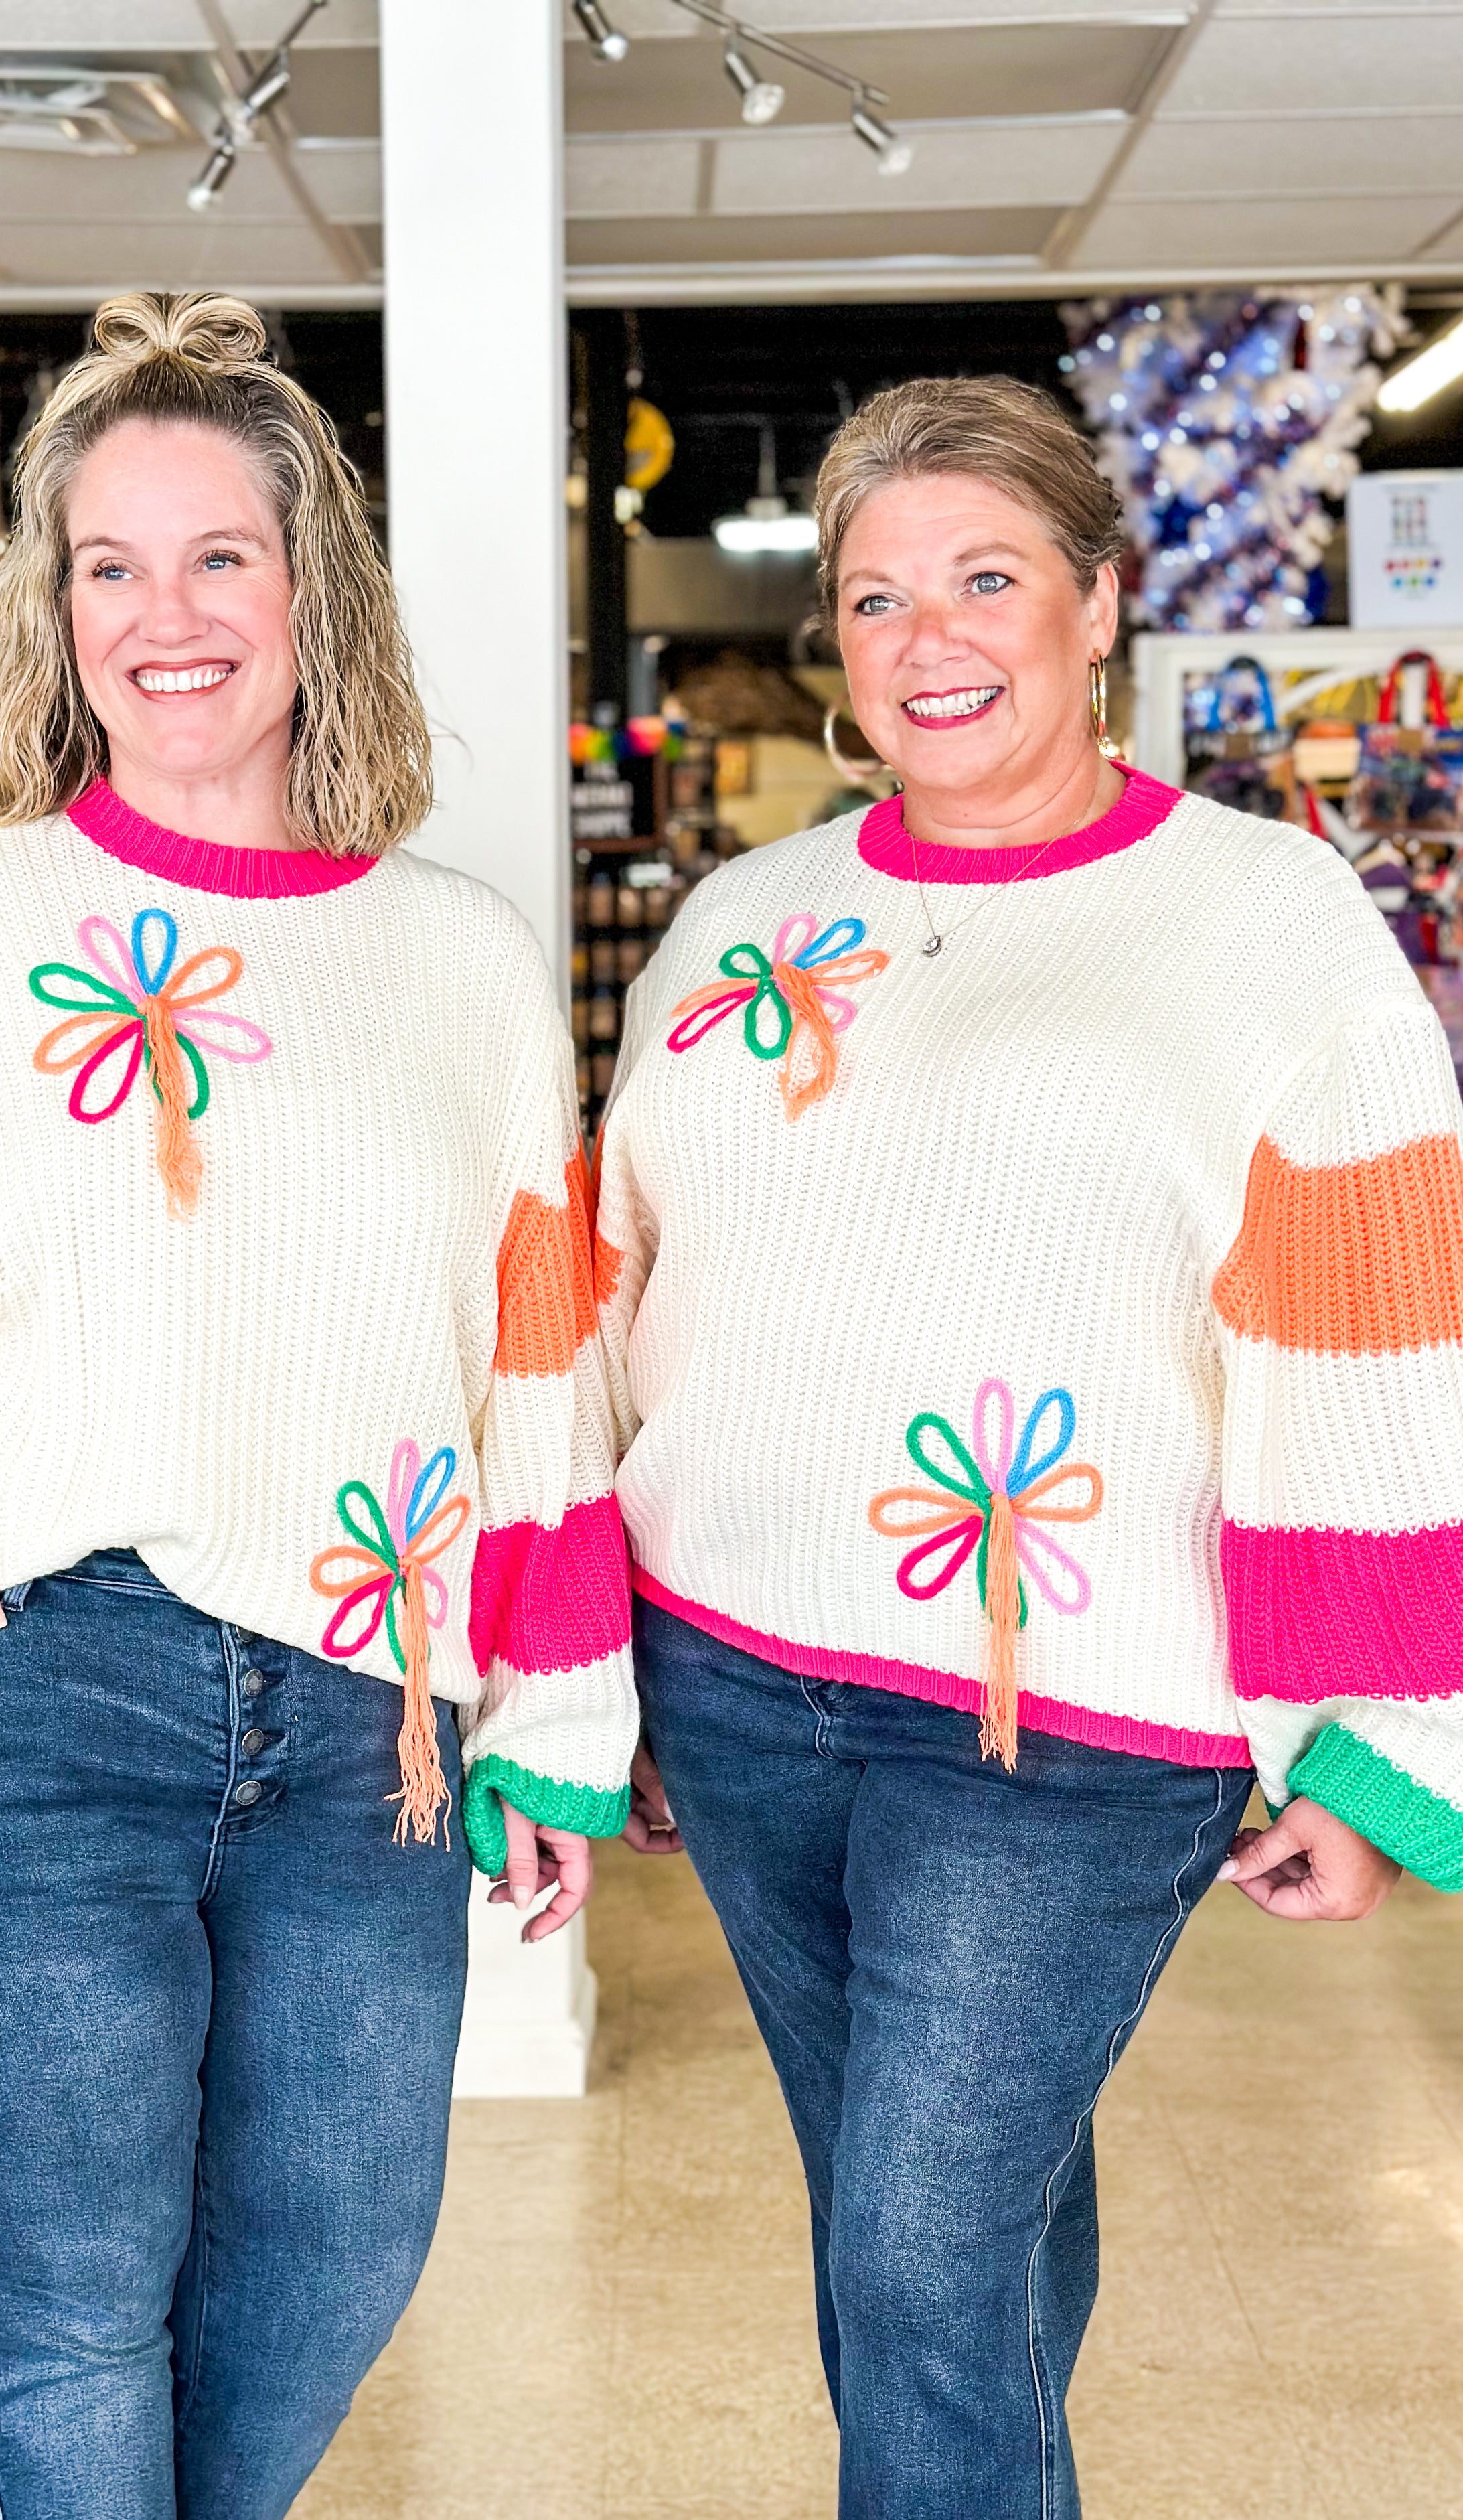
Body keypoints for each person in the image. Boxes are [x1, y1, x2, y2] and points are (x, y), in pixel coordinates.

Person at [0, 292, 636, 2520]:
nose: (164, 615)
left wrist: (564, 1724)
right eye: (111, 564)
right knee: (75, 2305)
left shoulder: (465, 961)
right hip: (15, 1706)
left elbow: (538, 1369)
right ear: (55, 609)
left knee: (330, 2258)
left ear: (318, 597)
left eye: (222, 558)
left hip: (360, 1732)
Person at [595, 373, 1463, 2519]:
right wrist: (574, 1660)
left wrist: (1374, 1741)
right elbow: (619, 1287)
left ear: (1097, 600)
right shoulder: (736, 921)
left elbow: (1373, 1327)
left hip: (1069, 1720)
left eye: (987, 577)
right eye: (880, 597)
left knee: (912, 2251)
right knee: (937, 2237)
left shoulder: (1272, 925)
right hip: (733, 1672)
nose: (931, 637)